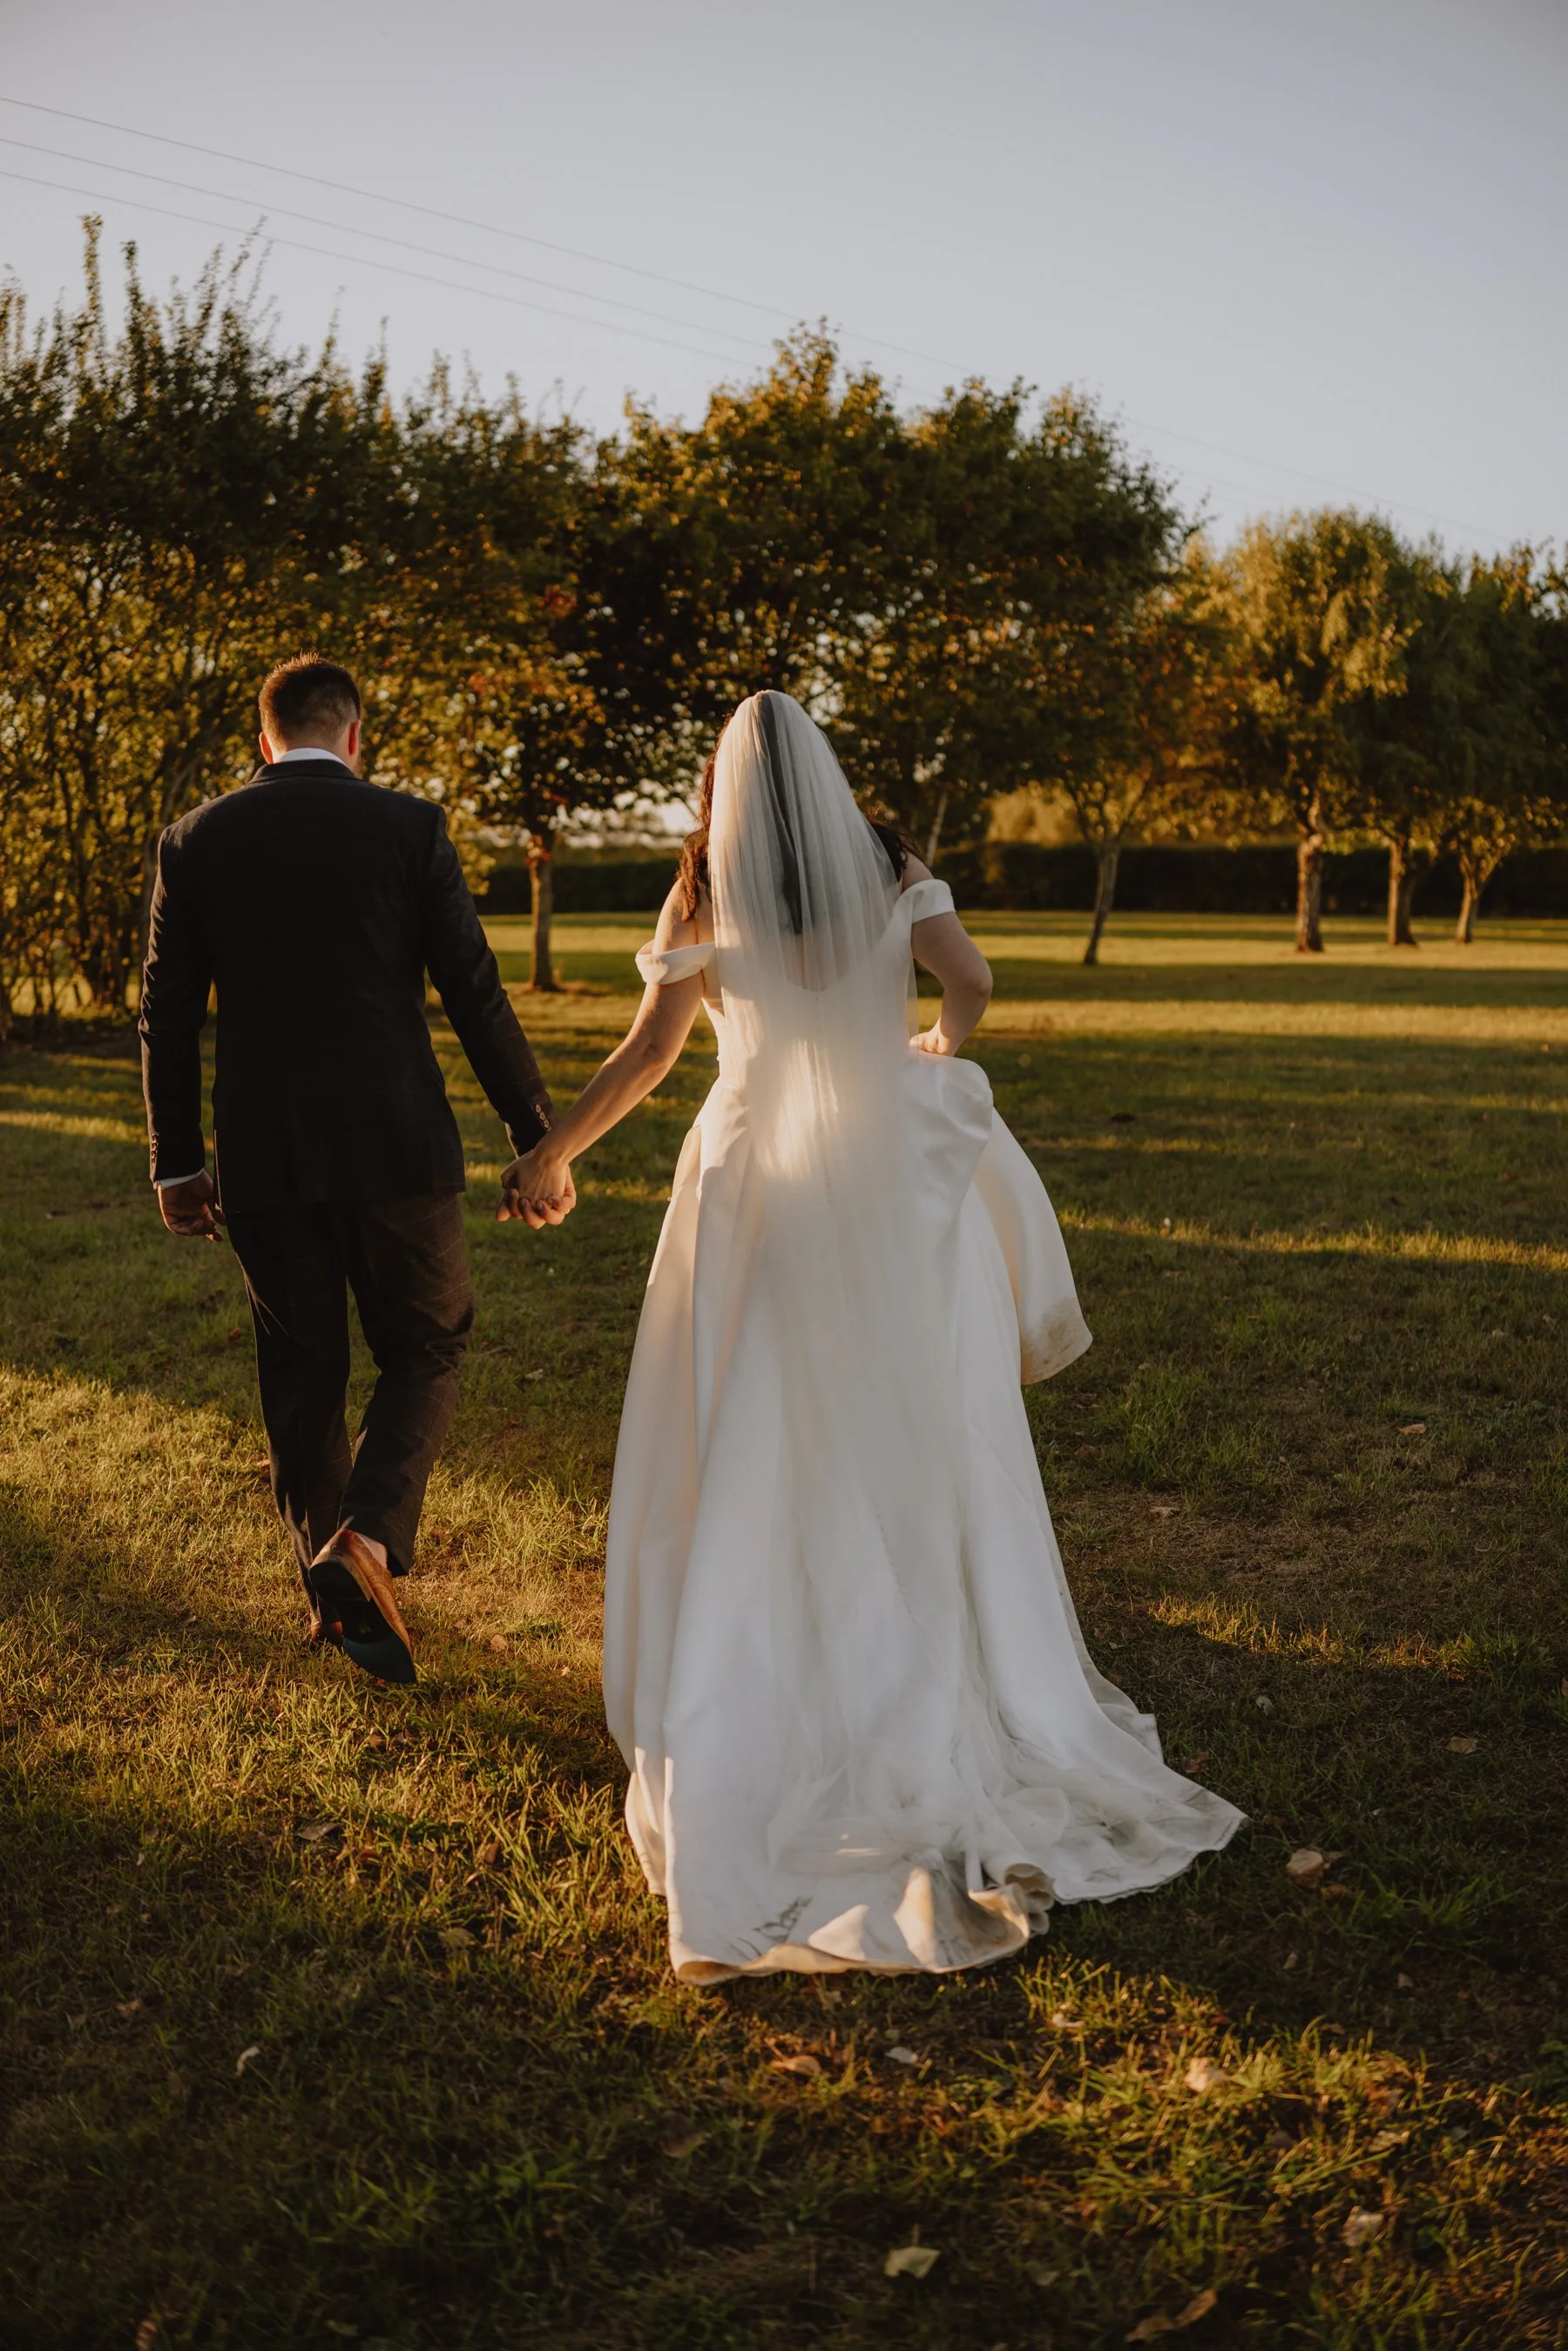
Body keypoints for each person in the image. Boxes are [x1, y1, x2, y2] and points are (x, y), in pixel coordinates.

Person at [504, 690, 1240, 1981]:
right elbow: (973, 982)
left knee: (755, 1428)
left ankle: (768, 1661)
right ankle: (915, 1656)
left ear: (726, 797)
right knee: (907, 1430)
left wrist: (549, 1152)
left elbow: (647, 1054)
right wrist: (925, 1051)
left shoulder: (700, 896)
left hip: (754, 1184)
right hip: (883, 1182)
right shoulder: (892, 869)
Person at [139, 654, 564, 1686]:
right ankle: (364, 1547)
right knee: (426, 1345)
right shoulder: (409, 827)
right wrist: (533, 1132)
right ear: (357, 734)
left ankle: (329, 1592)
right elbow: (473, 988)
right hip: (396, 1144)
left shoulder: (196, 839)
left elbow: (166, 1014)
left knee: (301, 1370)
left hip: (265, 1150)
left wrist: (178, 1162)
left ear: (264, 738)